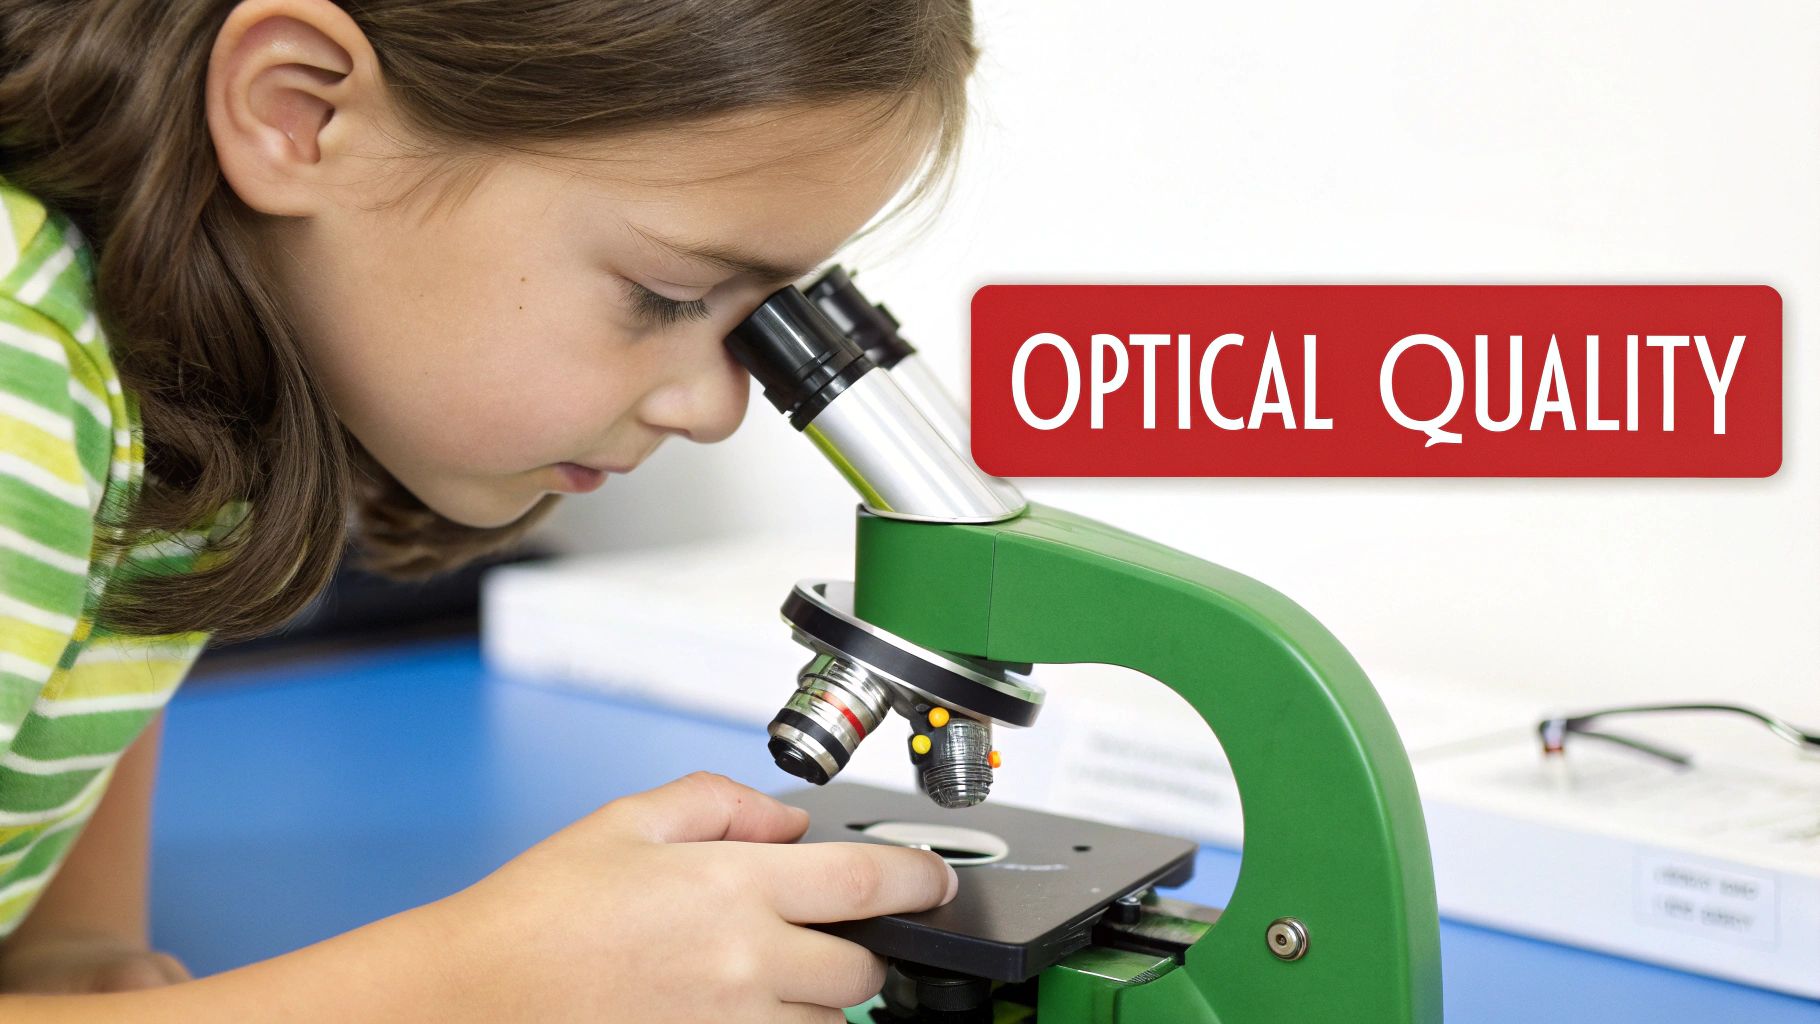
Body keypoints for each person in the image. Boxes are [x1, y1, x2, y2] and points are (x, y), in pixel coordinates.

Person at [0, 0, 973, 1018]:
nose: (715, 407)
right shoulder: (19, 379)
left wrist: (72, 939)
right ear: (299, 113)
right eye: (669, 292)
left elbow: (103, 608)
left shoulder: (181, 362)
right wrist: (473, 982)